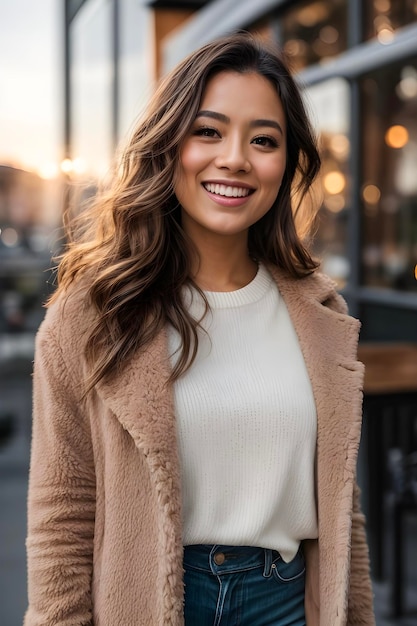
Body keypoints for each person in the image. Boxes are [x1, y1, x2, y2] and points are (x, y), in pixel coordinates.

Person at [24, 33, 375, 626]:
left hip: (288, 602)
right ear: (168, 144)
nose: (235, 158)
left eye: (264, 140)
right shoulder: (93, 313)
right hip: (144, 601)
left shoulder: (323, 316)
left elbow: (344, 506)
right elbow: (63, 511)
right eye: (208, 131)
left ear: (286, 163)